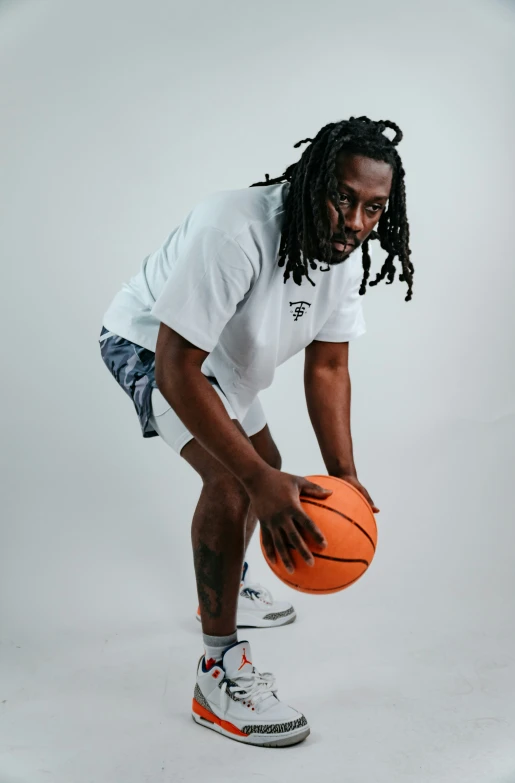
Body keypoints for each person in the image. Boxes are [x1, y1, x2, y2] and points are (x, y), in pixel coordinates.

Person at [98, 116, 414, 747]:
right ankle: (217, 672)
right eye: (343, 198)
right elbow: (175, 366)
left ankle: (224, 573)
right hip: (151, 345)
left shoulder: (344, 252)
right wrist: (252, 475)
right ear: (312, 181)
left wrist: (345, 475)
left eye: (374, 208)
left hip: (223, 357)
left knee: (269, 472)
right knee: (239, 479)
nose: (355, 222)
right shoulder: (235, 230)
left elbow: (328, 367)